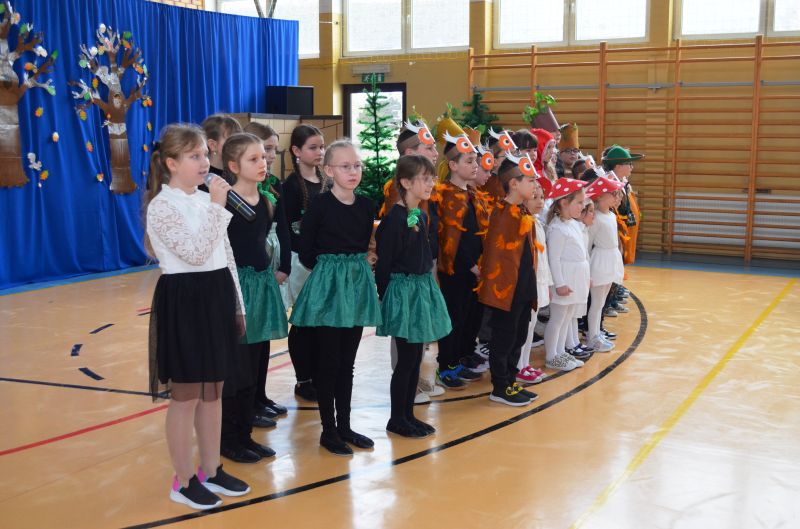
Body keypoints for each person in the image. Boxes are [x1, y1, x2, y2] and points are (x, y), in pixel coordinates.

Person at [144, 124, 249, 510]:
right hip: (186, 301)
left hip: (216, 294)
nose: (205, 162)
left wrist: (237, 303)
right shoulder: (162, 206)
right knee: (186, 396)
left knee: (213, 391)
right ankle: (184, 480)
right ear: (172, 163)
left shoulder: (207, 200)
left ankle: (211, 468)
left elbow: (226, 256)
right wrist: (218, 207)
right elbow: (194, 252)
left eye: (206, 154)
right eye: (194, 156)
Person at [290, 139, 381, 456]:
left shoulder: (366, 205)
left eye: (357, 165)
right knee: (328, 362)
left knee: (347, 363)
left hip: (355, 287)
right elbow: (306, 251)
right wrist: (332, 271)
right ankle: (328, 430)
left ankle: (345, 426)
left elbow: (364, 243)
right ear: (329, 171)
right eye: (345, 166)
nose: (353, 171)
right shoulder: (320, 205)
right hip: (330, 289)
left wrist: (355, 268)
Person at [218, 133, 290, 463]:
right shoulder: (225, 201)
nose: (263, 163)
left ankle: (245, 434)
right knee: (238, 369)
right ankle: (228, 439)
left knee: (256, 364)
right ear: (233, 166)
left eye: (264, 157)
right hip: (238, 288)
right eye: (254, 159)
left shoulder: (265, 200)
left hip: (261, 285)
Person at [376, 155, 452, 437]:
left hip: (420, 291)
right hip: (403, 294)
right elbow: (385, 264)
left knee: (415, 358)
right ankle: (397, 418)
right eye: (424, 179)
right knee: (406, 360)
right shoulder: (393, 220)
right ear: (406, 183)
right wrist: (386, 297)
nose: (431, 184)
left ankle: (408, 414)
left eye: (432, 178)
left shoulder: (419, 215)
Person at [477, 152, 540, 406]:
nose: (535, 185)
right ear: (514, 183)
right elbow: (496, 258)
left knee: (519, 336)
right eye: (530, 180)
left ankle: (511, 381)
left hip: (523, 287)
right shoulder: (502, 214)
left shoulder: (521, 211)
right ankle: (500, 386)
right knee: (504, 338)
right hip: (507, 291)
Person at [429, 128, 488, 390]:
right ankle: (447, 365)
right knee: (453, 317)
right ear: (452, 165)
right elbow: (451, 237)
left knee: (470, 316)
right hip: (456, 270)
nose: (475, 165)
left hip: (476, 269)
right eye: (469, 161)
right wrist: (471, 264)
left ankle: (463, 356)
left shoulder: (472, 194)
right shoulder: (445, 194)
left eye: (475, 161)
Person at [241, 122, 292, 423]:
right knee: (251, 337)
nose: (270, 156)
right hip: (251, 268)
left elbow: (282, 225)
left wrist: (284, 266)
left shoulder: (273, 183)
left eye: (272, 150)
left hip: (270, 263)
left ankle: (260, 395)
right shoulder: (238, 191)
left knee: (264, 338)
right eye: (265, 150)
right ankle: (247, 402)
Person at [282, 124, 326, 402]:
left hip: (325, 262)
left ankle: (320, 374)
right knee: (304, 323)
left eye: (322, 146)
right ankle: (304, 379)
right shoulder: (291, 187)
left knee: (321, 323)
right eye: (313, 147)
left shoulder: (326, 181)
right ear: (297, 151)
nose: (320, 152)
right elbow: (286, 228)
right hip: (301, 262)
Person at [543, 178, 590, 372]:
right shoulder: (557, 228)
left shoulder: (573, 224)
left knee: (568, 317)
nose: (583, 206)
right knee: (558, 319)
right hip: (565, 280)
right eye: (579, 202)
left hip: (576, 279)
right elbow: (553, 259)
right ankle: (551, 356)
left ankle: (561, 351)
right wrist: (560, 284)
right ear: (564, 202)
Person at [515, 180, 552, 384]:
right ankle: (518, 366)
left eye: (542, 197)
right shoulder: (523, 222)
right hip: (530, 282)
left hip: (540, 280)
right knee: (525, 326)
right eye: (534, 197)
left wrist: (548, 283)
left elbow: (544, 258)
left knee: (531, 326)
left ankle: (524, 363)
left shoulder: (537, 222)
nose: (540, 201)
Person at [585, 175, 626, 351]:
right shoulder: (596, 217)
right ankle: (592, 336)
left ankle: (597, 333)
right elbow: (588, 244)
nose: (616, 197)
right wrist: (587, 267)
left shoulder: (610, 215)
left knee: (602, 302)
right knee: (596, 303)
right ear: (600, 196)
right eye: (613, 193)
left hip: (611, 259)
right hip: (600, 261)